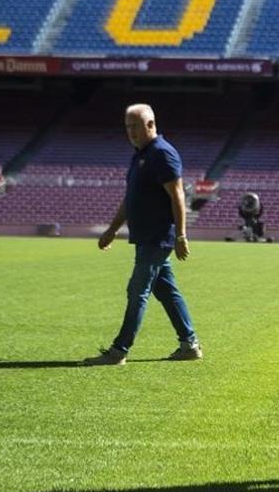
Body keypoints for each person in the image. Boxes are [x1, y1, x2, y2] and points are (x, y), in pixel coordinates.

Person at [82, 104, 202, 366]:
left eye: (136, 126)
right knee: (166, 290)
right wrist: (112, 230)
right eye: (127, 127)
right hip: (145, 236)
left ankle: (119, 351)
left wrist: (181, 235)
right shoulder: (140, 155)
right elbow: (130, 200)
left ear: (151, 125)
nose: (131, 132)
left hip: (157, 237)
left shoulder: (162, 154)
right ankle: (189, 344)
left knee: (137, 290)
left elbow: (178, 195)